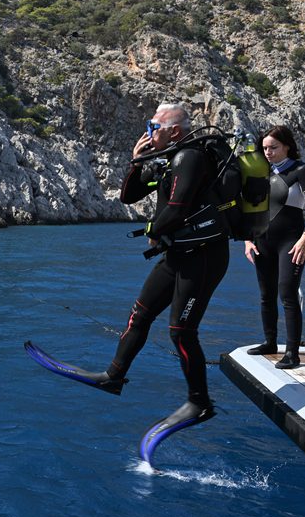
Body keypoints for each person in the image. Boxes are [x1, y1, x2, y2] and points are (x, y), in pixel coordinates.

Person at [85, 103, 230, 428]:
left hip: (204, 257)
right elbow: (128, 196)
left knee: (181, 331)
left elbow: (176, 210)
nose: (148, 134)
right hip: (178, 254)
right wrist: (137, 161)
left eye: (154, 128)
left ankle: (199, 403)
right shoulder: (167, 159)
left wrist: (153, 231)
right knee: (140, 314)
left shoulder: (188, 158)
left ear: (174, 131)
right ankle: (114, 377)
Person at [243, 124, 305, 369]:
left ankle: (292, 353)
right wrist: (247, 239)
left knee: (287, 295)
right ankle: (269, 342)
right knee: (266, 296)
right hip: (262, 243)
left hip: (291, 243)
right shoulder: (261, 172)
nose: (268, 152)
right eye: (264, 148)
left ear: (287, 146)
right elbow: (250, 209)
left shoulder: (301, 170)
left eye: (273, 147)